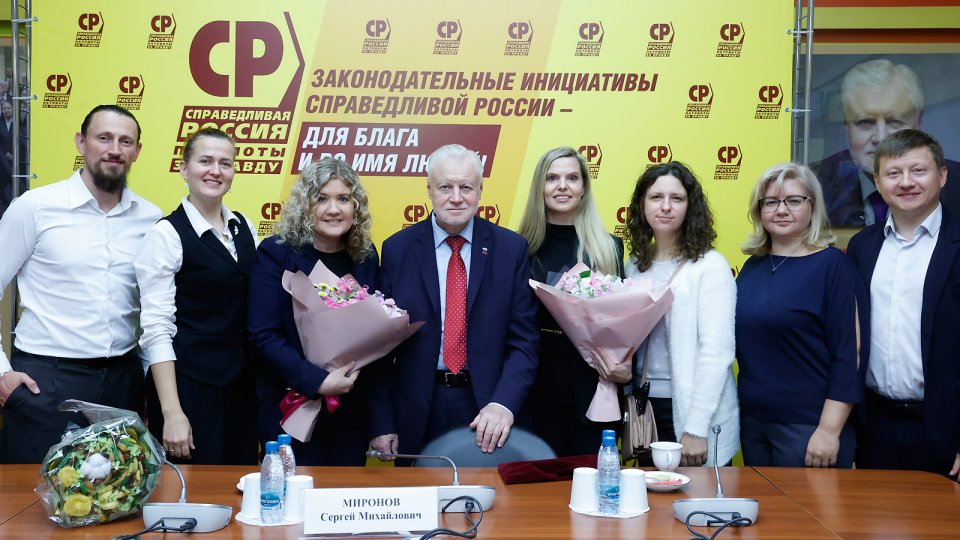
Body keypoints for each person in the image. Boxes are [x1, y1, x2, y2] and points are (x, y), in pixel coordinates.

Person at [0, 104, 162, 463]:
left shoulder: (151, 219)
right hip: (45, 383)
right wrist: (1, 374)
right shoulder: (35, 208)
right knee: (33, 492)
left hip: (123, 382)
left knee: (120, 488)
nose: (114, 149)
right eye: (103, 138)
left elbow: (155, 309)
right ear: (80, 142)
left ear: (137, 151)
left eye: (125, 141)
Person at [370, 144, 539, 459]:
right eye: (445, 187)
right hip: (417, 410)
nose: (457, 197)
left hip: (488, 411)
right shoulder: (397, 250)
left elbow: (525, 342)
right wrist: (382, 421)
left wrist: (503, 404)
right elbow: (378, 349)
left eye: (466, 187)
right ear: (429, 190)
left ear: (481, 191)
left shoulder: (510, 249)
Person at [134, 128, 258, 465]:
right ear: (184, 169)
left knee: (240, 486)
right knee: (192, 491)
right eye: (205, 161)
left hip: (241, 391)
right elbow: (156, 330)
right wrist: (172, 412)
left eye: (225, 163)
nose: (215, 171)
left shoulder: (244, 227)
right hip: (190, 390)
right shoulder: (166, 235)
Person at [248, 157, 379, 465]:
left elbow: (376, 333)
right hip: (289, 408)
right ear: (305, 206)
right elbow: (263, 335)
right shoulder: (276, 253)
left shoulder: (365, 257)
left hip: (349, 413)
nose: (334, 209)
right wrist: (318, 380)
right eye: (321, 199)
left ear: (356, 207)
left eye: (343, 199)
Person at [736, 163, 867, 468]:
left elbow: (851, 354)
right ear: (759, 210)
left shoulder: (834, 267)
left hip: (809, 427)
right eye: (771, 202)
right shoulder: (753, 268)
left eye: (794, 201)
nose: (782, 210)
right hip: (754, 423)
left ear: (813, 206)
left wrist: (829, 430)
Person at [847, 129, 960, 481]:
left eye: (918, 170)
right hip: (874, 427)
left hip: (945, 428)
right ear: (878, 183)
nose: (906, 182)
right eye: (894, 173)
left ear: (942, 175)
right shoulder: (861, 247)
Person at [624, 162, 738, 467]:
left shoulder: (710, 266)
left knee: (697, 497)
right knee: (648, 495)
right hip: (646, 408)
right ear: (642, 205)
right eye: (656, 197)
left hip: (693, 413)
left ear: (690, 207)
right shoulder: (634, 266)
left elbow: (717, 353)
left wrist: (695, 428)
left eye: (676, 198)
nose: (666, 206)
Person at [516, 147, 627, 456]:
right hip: (536, 385)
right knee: (539, 477)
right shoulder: (519, 248)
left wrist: (622, 366)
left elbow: (623, 323)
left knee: (593, 475)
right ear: (540, 187)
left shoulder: (609, 247)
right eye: (552, 178)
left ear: (584, 188)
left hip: (594, 384)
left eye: (572, 178)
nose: (562, 186)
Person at [814, 59, 960, 226]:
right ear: (846, 127)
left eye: (894, 121)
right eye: (865, 122)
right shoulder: (815, 186)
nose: (881, 137)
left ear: (918, 122)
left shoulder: (957, 183)